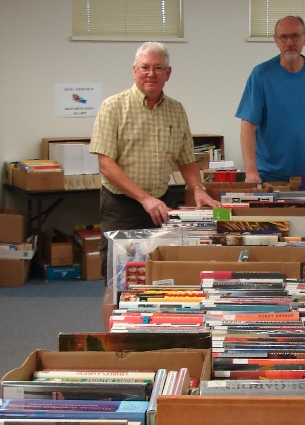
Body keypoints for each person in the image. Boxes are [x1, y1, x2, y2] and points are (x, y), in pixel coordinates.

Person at [90, 42, 217, 267]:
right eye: (145, 67)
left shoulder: (176, 110)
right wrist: (144, 199)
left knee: (158, 269)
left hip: (161, 204)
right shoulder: (112, 107)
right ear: (134, 71)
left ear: (168, 73)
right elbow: (106, 165)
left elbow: (186, 159)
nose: (151, 74)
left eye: (158, 68)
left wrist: (198, 189)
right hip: (122, 206)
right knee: (117, 274)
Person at [236, 15, 305, 184]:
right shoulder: (261, 75)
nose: (289, 43)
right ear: (276, 40)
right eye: (284, 37)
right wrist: (251, 172)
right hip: (269, 176)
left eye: (295, 36)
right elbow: (247, 125)